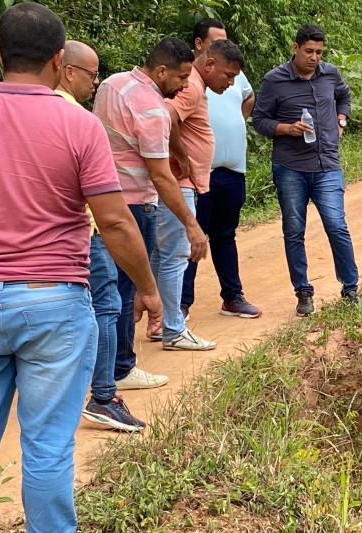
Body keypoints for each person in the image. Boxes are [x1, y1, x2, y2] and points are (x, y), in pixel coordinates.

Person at [0, 4, 162, 531]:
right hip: (53, 303)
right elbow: (116, 222)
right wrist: (148, 289)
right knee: (47, 447)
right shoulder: (80, 125)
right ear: (60, 61)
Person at [93, 37, 208, 383]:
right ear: (161, 71)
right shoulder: (153, 109)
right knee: (126, 289)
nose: (185, 85)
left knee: (109, 288)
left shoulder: (112, 84)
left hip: (102, 201)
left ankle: (110, 365)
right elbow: (160, 175)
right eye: (181, 77)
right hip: (134, 204)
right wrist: (191, 224)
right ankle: (121, 369)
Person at [54, 40, 146, 431]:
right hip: (86, 227)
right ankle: (104, 396)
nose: (95, 82)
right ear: (67, 70)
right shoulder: (76, 117)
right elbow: (107, 208)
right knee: (107, 303)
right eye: (92, 75)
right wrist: (148, 286)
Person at [253, 24, 360, 316]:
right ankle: (303, 292)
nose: (314, 58)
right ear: (295, 48)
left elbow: (344, 97)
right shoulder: (274, 80)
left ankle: (350, 289)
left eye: (319, 52)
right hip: (291, 167)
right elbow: (260, 120)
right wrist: (286, 128)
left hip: (327, 164)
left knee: (336, 226)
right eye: (309, 51)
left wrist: (341, 120)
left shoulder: (330, 74)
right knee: (294, 230)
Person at [157, 38, 244, 349]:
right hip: (181, 183)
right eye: (228, 75)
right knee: (177, 254)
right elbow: (167, 116)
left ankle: (163, 321)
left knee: (168, 253)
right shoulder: (192, 87)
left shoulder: (193, 84)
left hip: (189, 182)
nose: (231, 83)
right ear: (209, 64)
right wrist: (181, 156)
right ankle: (173, 327)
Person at [181, 18, 262, 320]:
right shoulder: (187, 78)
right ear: (200, 45)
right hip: (200, 175)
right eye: (217, 42)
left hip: (233, 170)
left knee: (225, 235)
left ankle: (232, 297)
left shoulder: (233, 74)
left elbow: (248, 95)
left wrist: (236, 121)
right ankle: (181, 303)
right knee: (192, 237)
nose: (224, 46)